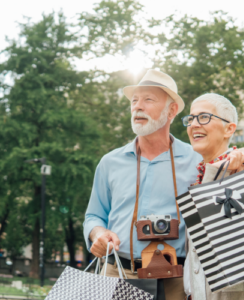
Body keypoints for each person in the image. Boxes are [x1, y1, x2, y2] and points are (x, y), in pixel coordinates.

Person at [84, 69, 203, 300]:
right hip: (117, 273)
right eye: (135, 100)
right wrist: (97, 234)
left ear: (171, 110)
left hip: (175, 280)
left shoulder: (196, 161)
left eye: (148, 100)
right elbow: (93, 216)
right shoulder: (110, 162)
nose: (138, 106)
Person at [182, 93, 244, 300]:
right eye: (191, 119)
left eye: (204, 117)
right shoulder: (201, 176)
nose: (194, 125)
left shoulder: (240, 174)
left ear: (229, 129)